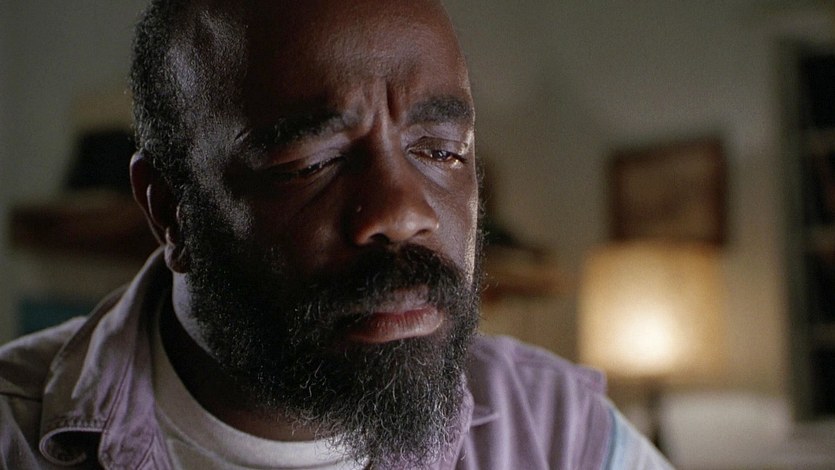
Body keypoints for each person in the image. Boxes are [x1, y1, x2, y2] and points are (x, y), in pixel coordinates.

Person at [0, 1, 672, 468]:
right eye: (311, 162)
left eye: (441, 150)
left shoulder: (558, 435)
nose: (402, 212)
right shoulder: (15, 439)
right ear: (169, 209)